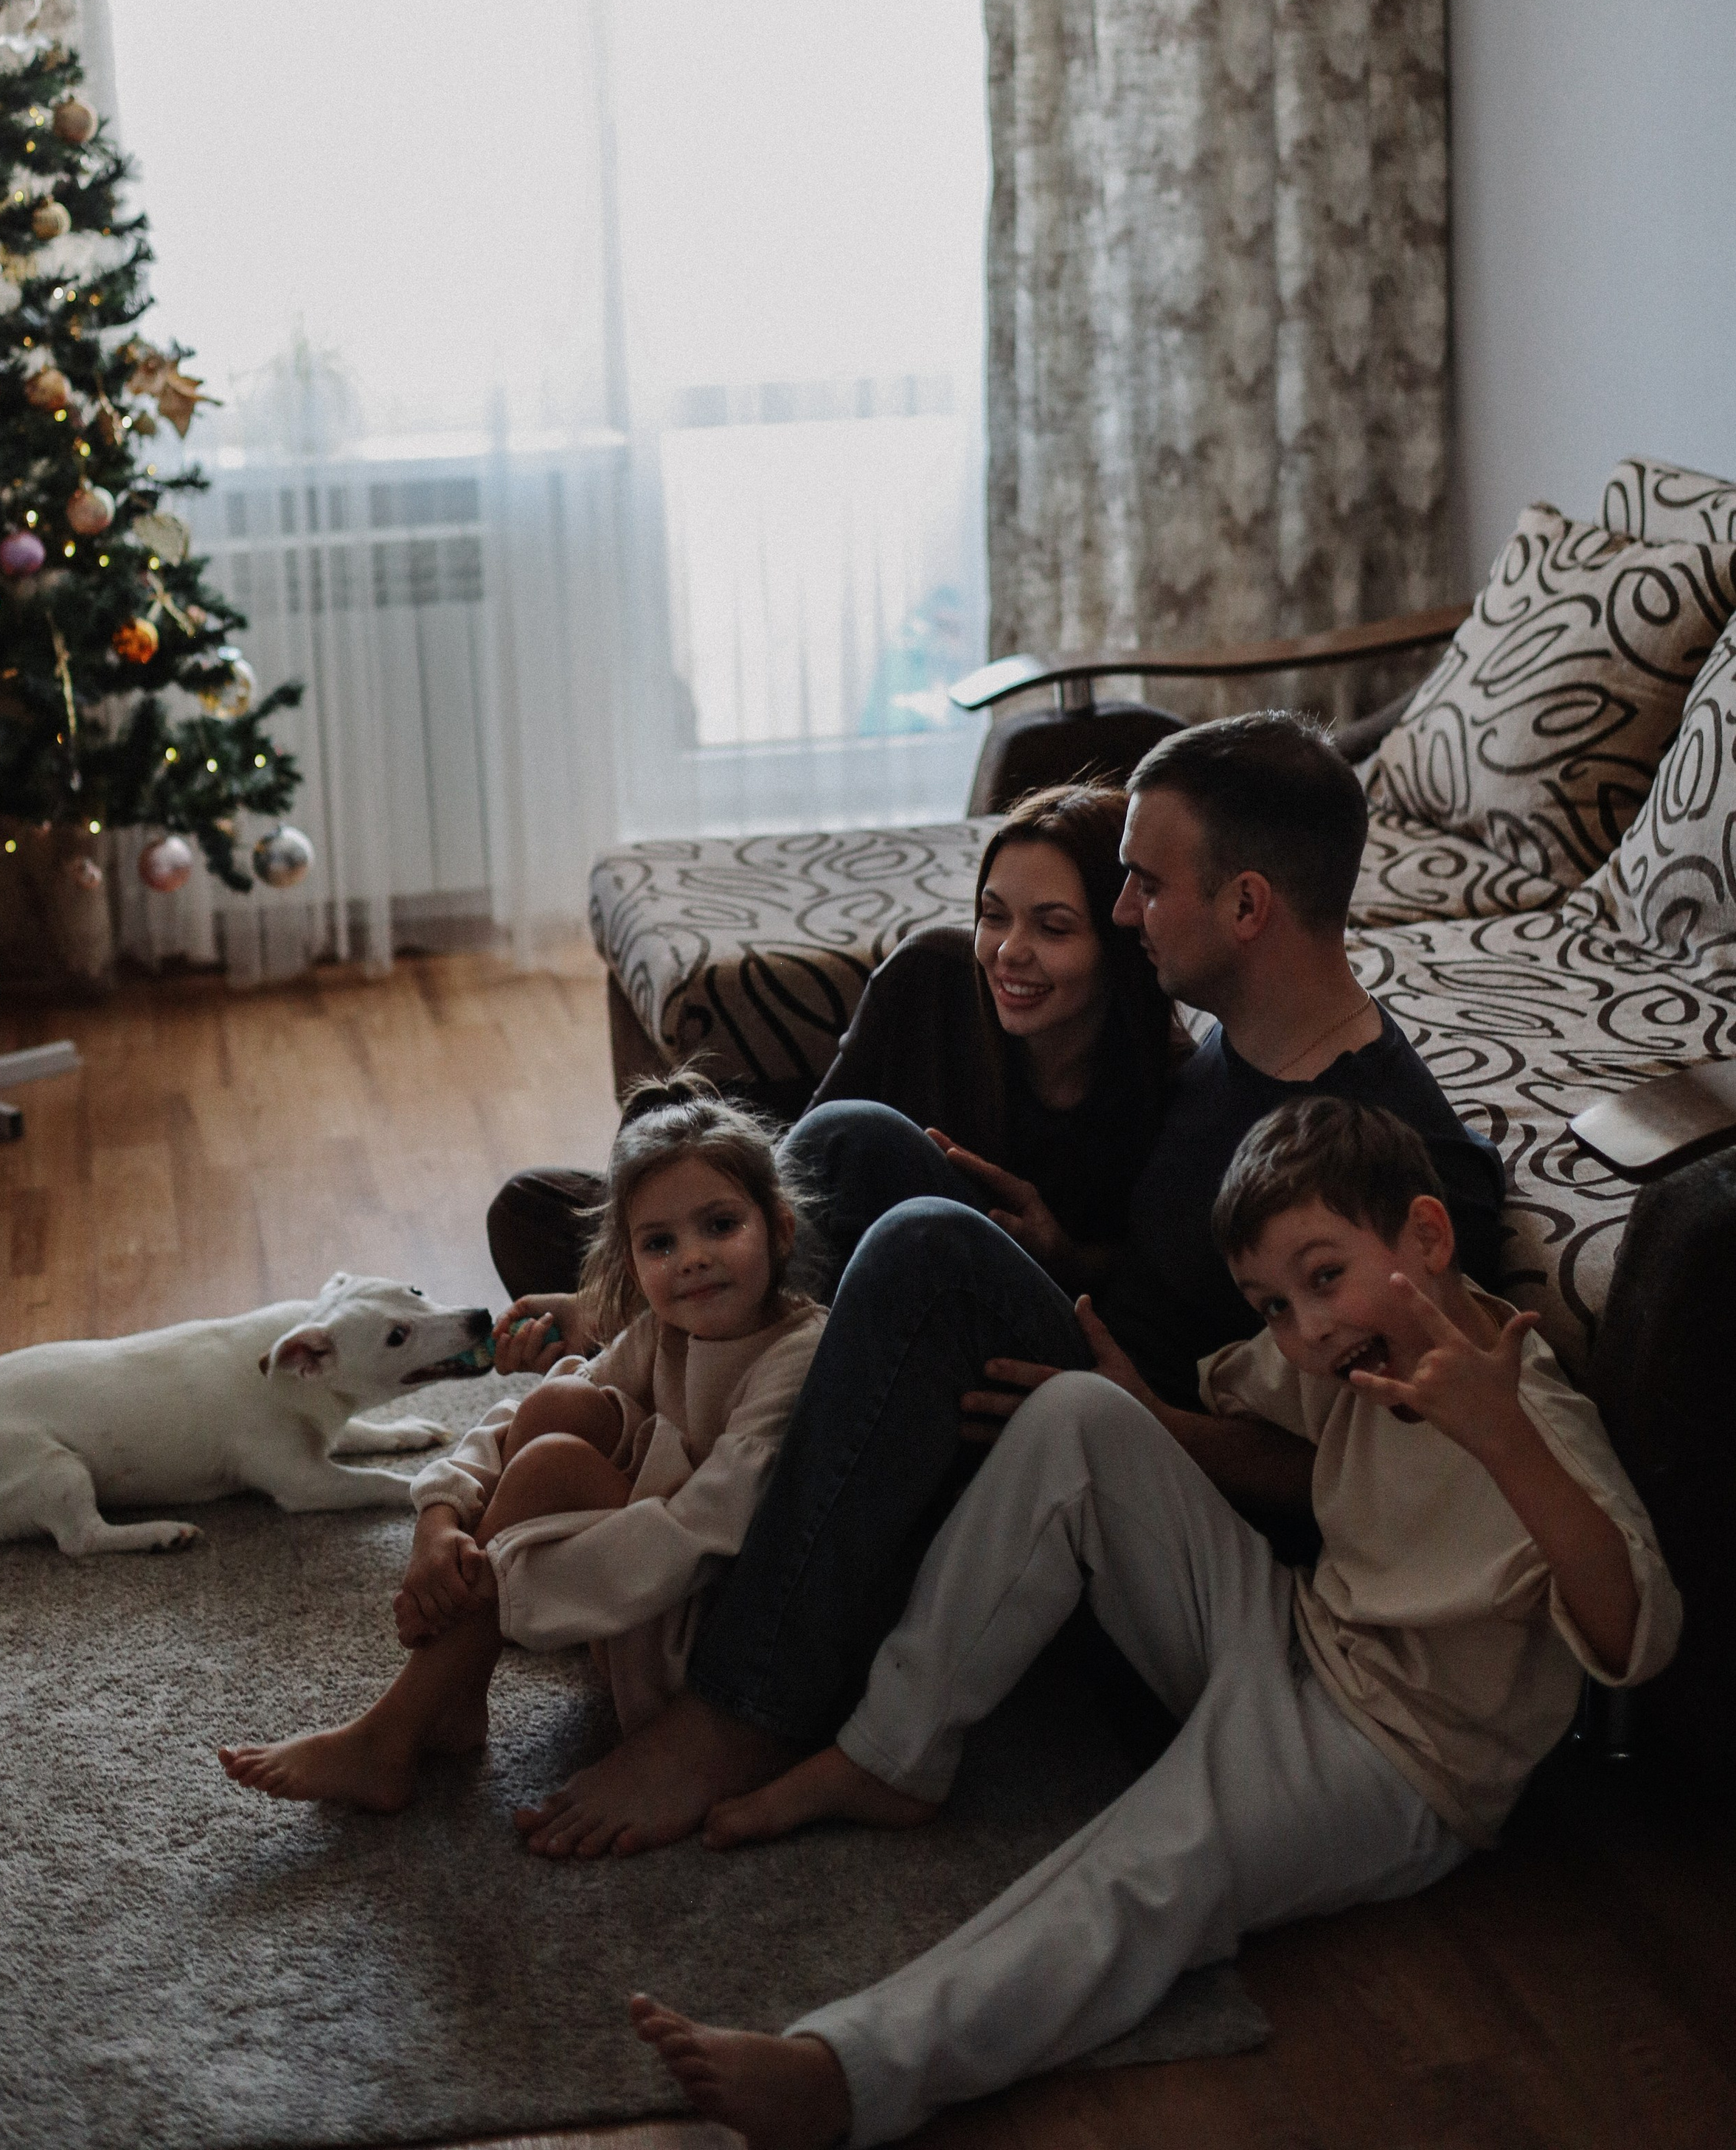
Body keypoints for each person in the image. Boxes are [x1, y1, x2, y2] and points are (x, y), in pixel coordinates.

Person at [512, 712, 1512, 1860]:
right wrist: (1080, 1260)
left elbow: (1373, 1480)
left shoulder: (1407, 1173)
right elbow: (1185, 1276)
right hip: (1099, 1369)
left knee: (927, 1247)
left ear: (1246, 907)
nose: (1126, 910)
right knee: (851, 1144)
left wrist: (1155, 1422)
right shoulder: (1230, 1052)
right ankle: (672, 1413)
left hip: (1159, 1484)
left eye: (1143, 884)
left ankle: (746, 1704)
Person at [625, 1098, 1681, 2148]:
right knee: (1081, 1416)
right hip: (1293, 1628)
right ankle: (893, 1748)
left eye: (1323, 1278)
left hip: (1399, 1759)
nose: (1307, 1328)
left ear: (1429, 1236)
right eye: (1273, 1305)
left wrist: (1505, 1443)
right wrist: (1147, 1410)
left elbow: (1634, 1632)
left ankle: (850, 2072)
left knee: (1144, 1870)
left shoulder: (1528, 1414)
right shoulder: (1354, 1346)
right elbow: (1279, 1442)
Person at [216, 1081, 824, 1814]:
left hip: (700, 1633)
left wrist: (498, 1582)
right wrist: (439, 1519)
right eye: (660, 1243)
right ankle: (455, 1695)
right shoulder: (662, 1331)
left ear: (782, 1229)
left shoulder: (796, 1352)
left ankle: (393, 1732)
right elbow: (517, 1415)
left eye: (720, 1225)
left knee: (553, 1464)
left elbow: (707, 1529)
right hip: (621, 1592)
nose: (692, 1258)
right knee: (562, 1402)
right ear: (629, 1268)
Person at [487, 782, 1176, 1308]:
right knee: (540, 1205)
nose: (1007, 953)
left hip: (943, 1308)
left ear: (1119, 941)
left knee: (861, 1138)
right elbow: (796, 1167)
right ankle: (663, 1329)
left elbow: (1157, 1294)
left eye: (1053, 929)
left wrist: (1064, 1253)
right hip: (822, 1257)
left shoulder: (1167, 1087)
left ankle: (649, 1335)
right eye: (993, 917)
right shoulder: (933, 975)